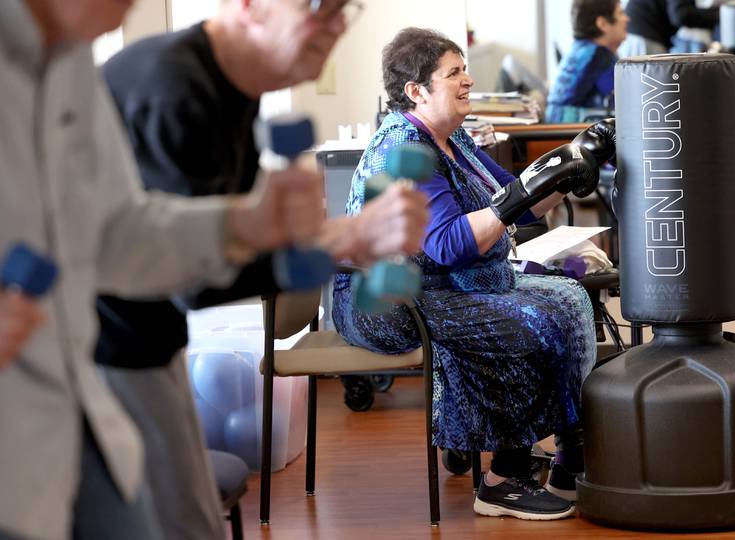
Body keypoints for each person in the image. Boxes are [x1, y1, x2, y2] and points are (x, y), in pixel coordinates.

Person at [0, 1, 426, 539]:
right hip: (109, 354)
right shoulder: (165, 85)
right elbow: (188, 283)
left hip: (94, 365)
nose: (335, 25)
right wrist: (331, 241)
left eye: (346, 9)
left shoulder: (67, 63)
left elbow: (115, 236)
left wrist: (251, 224)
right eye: (320, 7)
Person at [333, 27, 614, 521]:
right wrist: (518, 198)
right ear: (416, 91)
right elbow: (446, 246)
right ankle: (503, 478)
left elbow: (521, 206)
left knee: (567, 297)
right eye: (454, 72)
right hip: (386, 301)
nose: (468, 79)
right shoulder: (404, 150)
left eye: (464, 68)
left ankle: (571, 451)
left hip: (439, 283)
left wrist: (572, 167)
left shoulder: (452, 138)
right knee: (526, 319)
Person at [546, 0, 628, 123]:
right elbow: (624, 101)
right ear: (603, 24)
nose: (627, 19)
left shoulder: (581, 50)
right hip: (570, 133)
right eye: (621, 13)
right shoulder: (599, 56)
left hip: (554, 125)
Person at [618, 0, 719, 57]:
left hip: (641, 32)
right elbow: (680, 14)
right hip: (645, 34)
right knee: (650, 85)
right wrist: (720, 14)